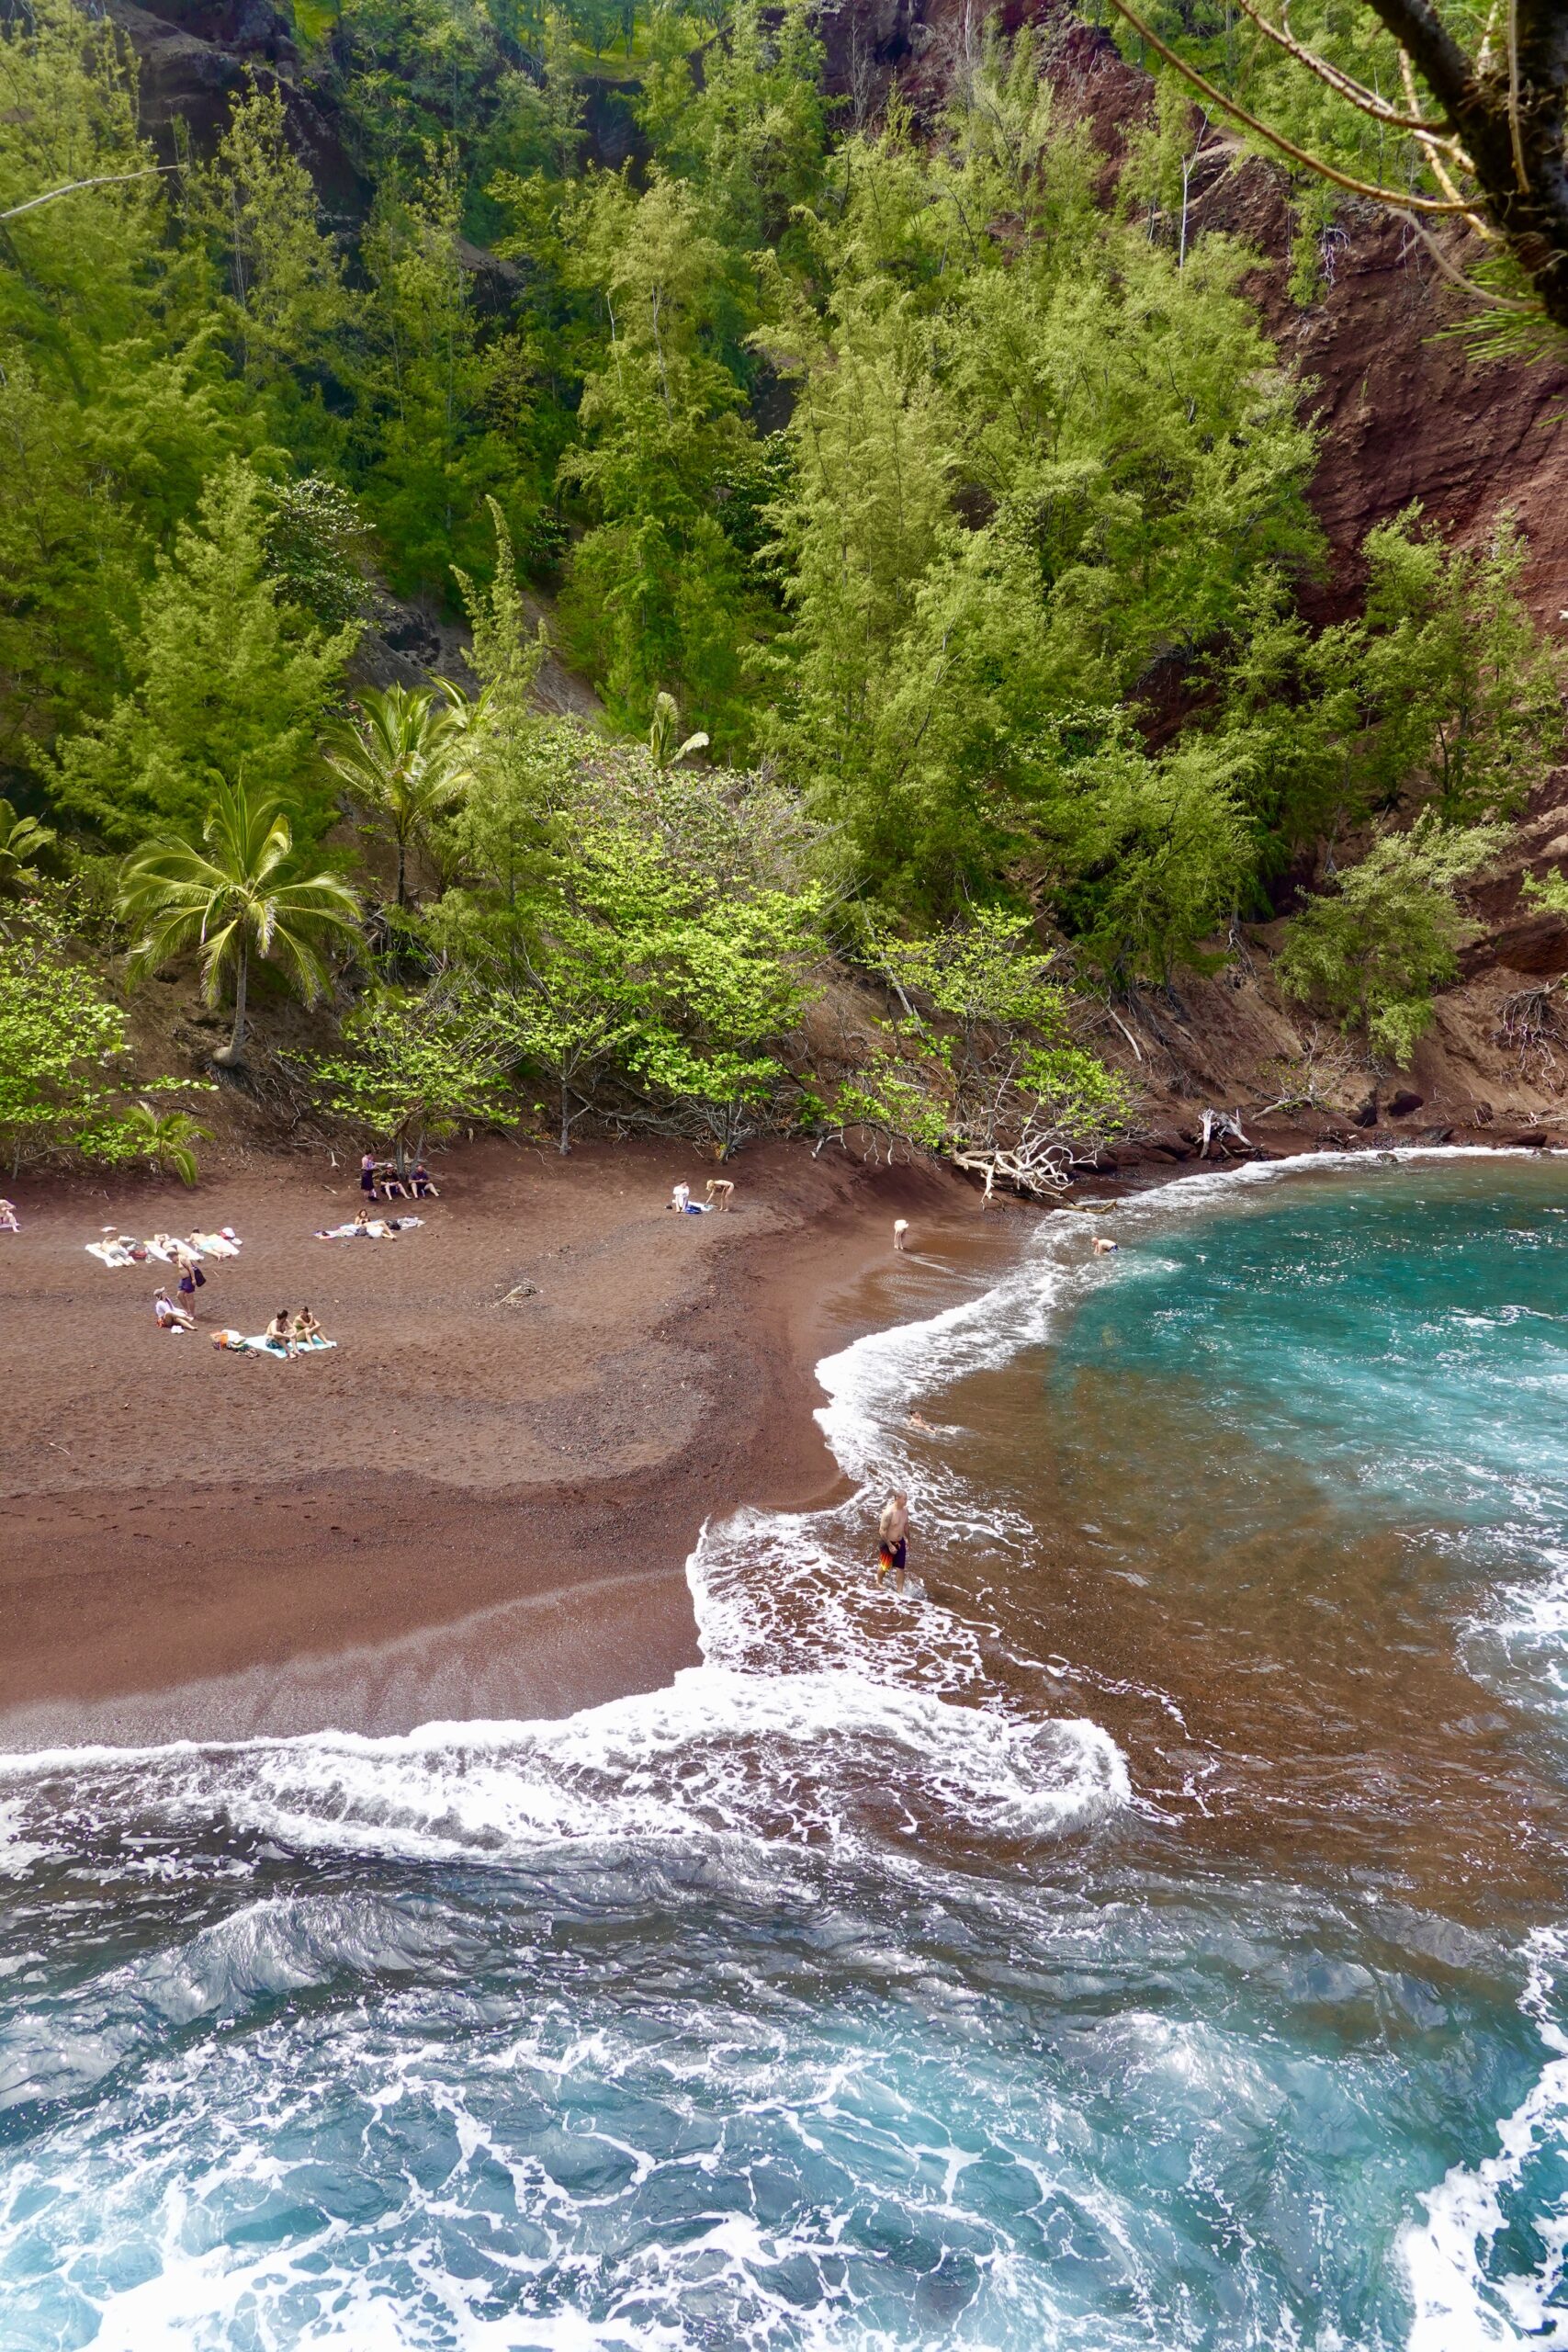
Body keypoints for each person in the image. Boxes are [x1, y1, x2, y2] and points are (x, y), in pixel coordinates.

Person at [877, 1490, 909, 1588]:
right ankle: (879, 1582)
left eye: (906, 1499)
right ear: (897, 1498)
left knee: (900, 1568)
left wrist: (908, 1539)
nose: (906, 1501)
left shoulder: (905, 1510)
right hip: (888, 1542)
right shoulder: (889, 1513)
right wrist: (890, 1546)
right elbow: (882, 1531)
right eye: (904, 1499)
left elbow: (906, 1526)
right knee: (885, 1566)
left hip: (900, 1542)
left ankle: (900, 1592)